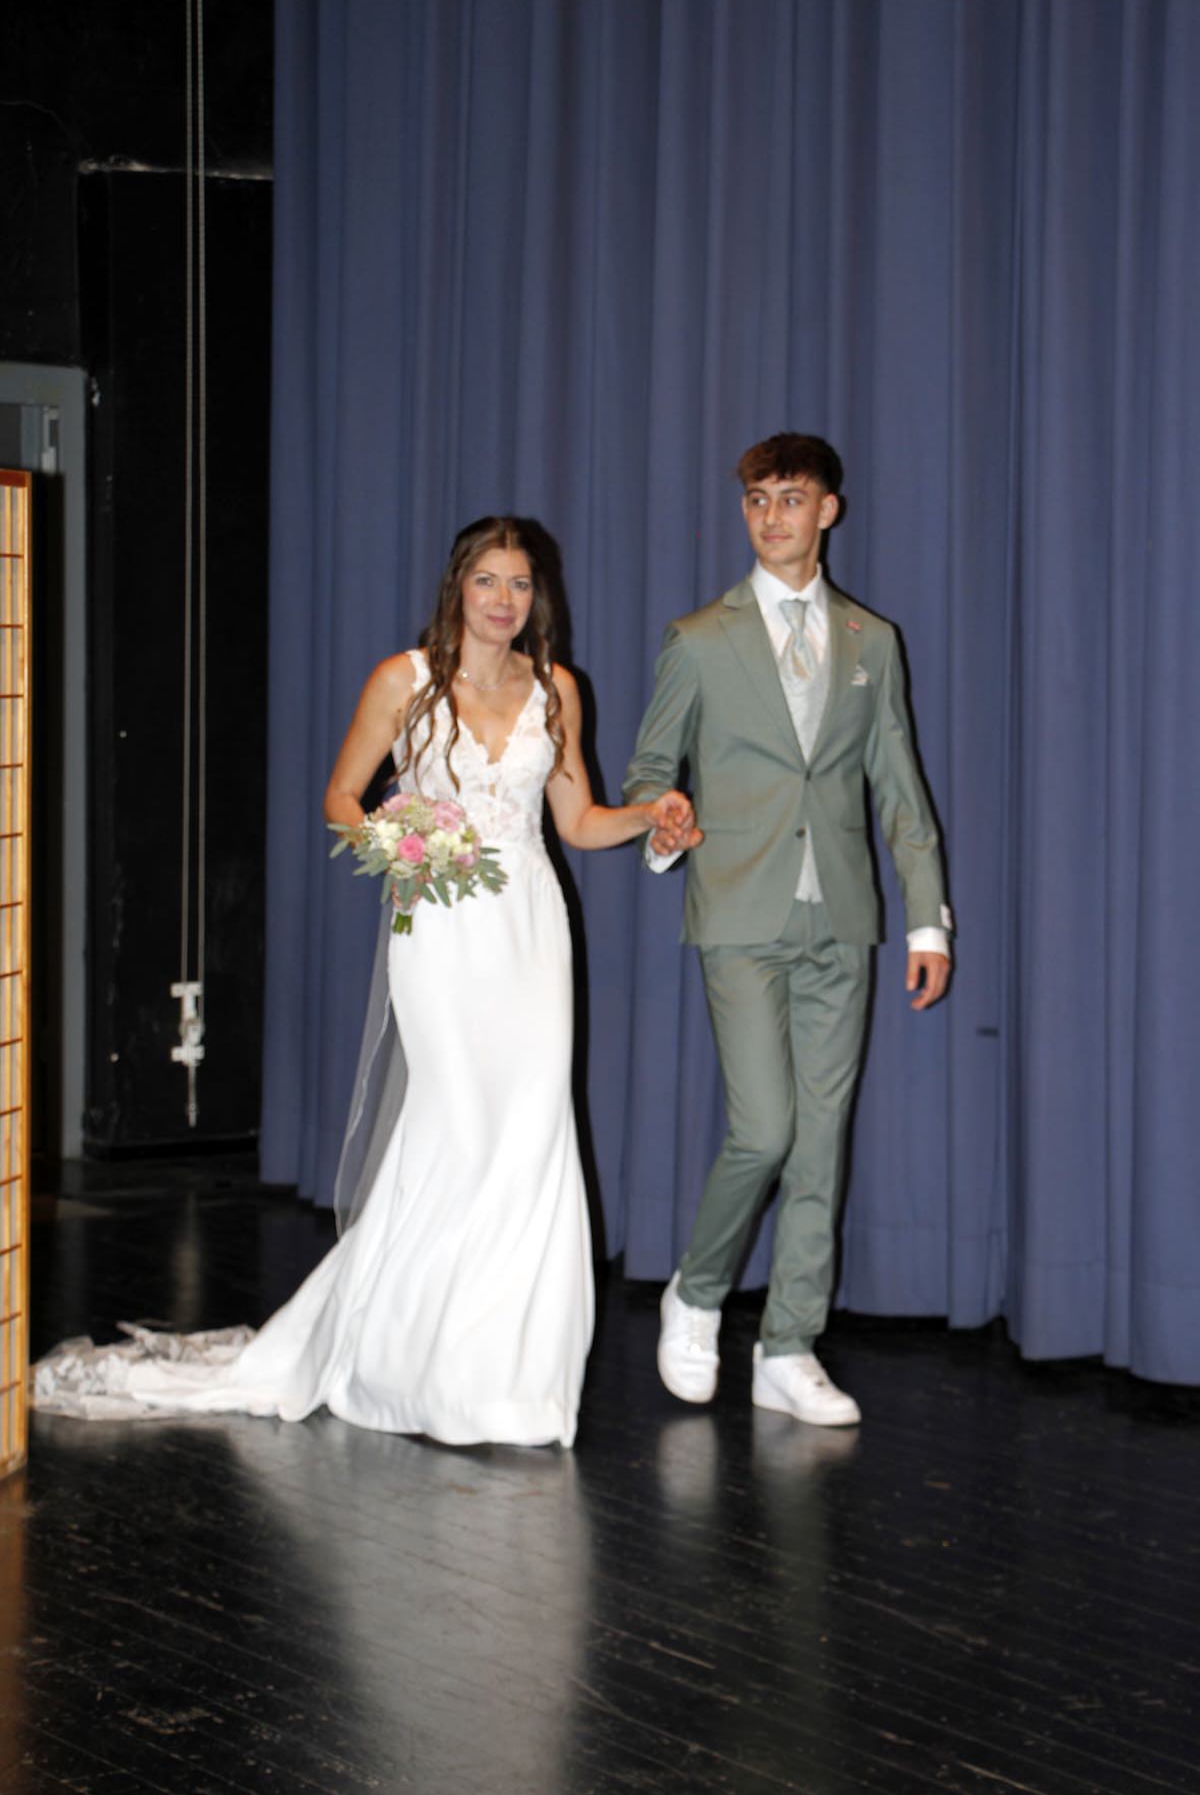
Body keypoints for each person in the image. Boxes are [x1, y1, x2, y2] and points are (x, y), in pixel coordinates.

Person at [34, 516, 695, 1447]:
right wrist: (405, 848)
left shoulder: (557, 690)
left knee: (531, 1136)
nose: (504, 600)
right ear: (458, 585)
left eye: (520, 584)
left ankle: (509, 1383)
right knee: (457, 1130)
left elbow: (579, 819)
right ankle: (401, 1364)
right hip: (440, 928)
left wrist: (652, 818)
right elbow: (342, 796)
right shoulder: (404, 679)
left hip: (531, 933)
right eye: (488, 580)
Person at [623, 433, 951, 1428]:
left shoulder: (871, 640)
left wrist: (927, 921)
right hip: (738, 910)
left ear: (827, 511)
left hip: (842, 918)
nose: (772, 516)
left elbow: (899, 787)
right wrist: (664, 818)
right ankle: (697, 1292)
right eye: (758, 499)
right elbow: (650, 770)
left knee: (821, 1141)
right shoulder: (699, 638)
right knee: (764, 1128)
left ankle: (790, 1343)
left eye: (791, 498)